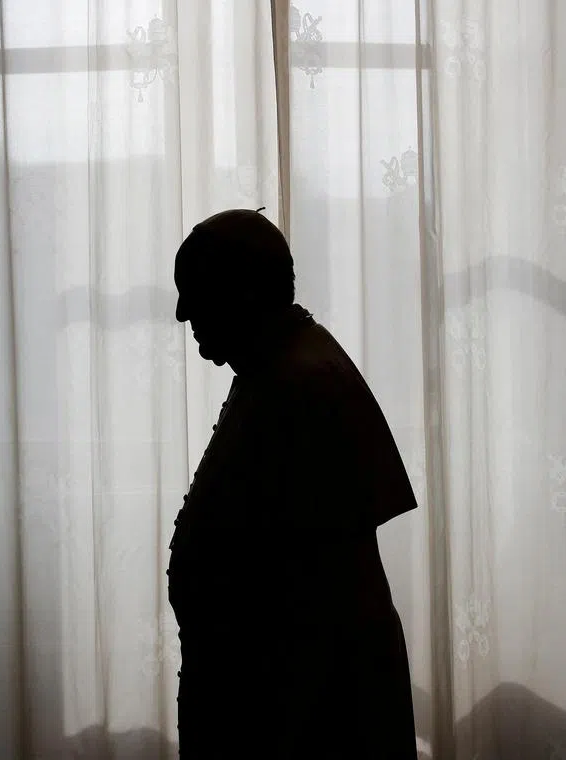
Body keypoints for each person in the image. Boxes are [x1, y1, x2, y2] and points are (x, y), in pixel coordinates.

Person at [166, 208, 419, 758]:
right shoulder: (276, 369)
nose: (183, 313)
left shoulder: (301, 386)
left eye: (195, 291)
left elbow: (311, 606)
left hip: (304, 724)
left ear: (244, 290)